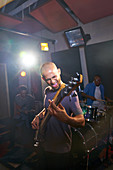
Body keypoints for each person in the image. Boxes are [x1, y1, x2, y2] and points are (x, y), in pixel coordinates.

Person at [31, 62, 85, 170]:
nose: (52, 81)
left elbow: (82, 121)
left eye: (54, 76)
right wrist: (38, 116)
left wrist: (67, 118)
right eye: (48, 79)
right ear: (43, 79)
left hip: (61, 148)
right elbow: (46, 109)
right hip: (44, 143)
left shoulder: (71, 94)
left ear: (59, 72)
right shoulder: (47, 91)